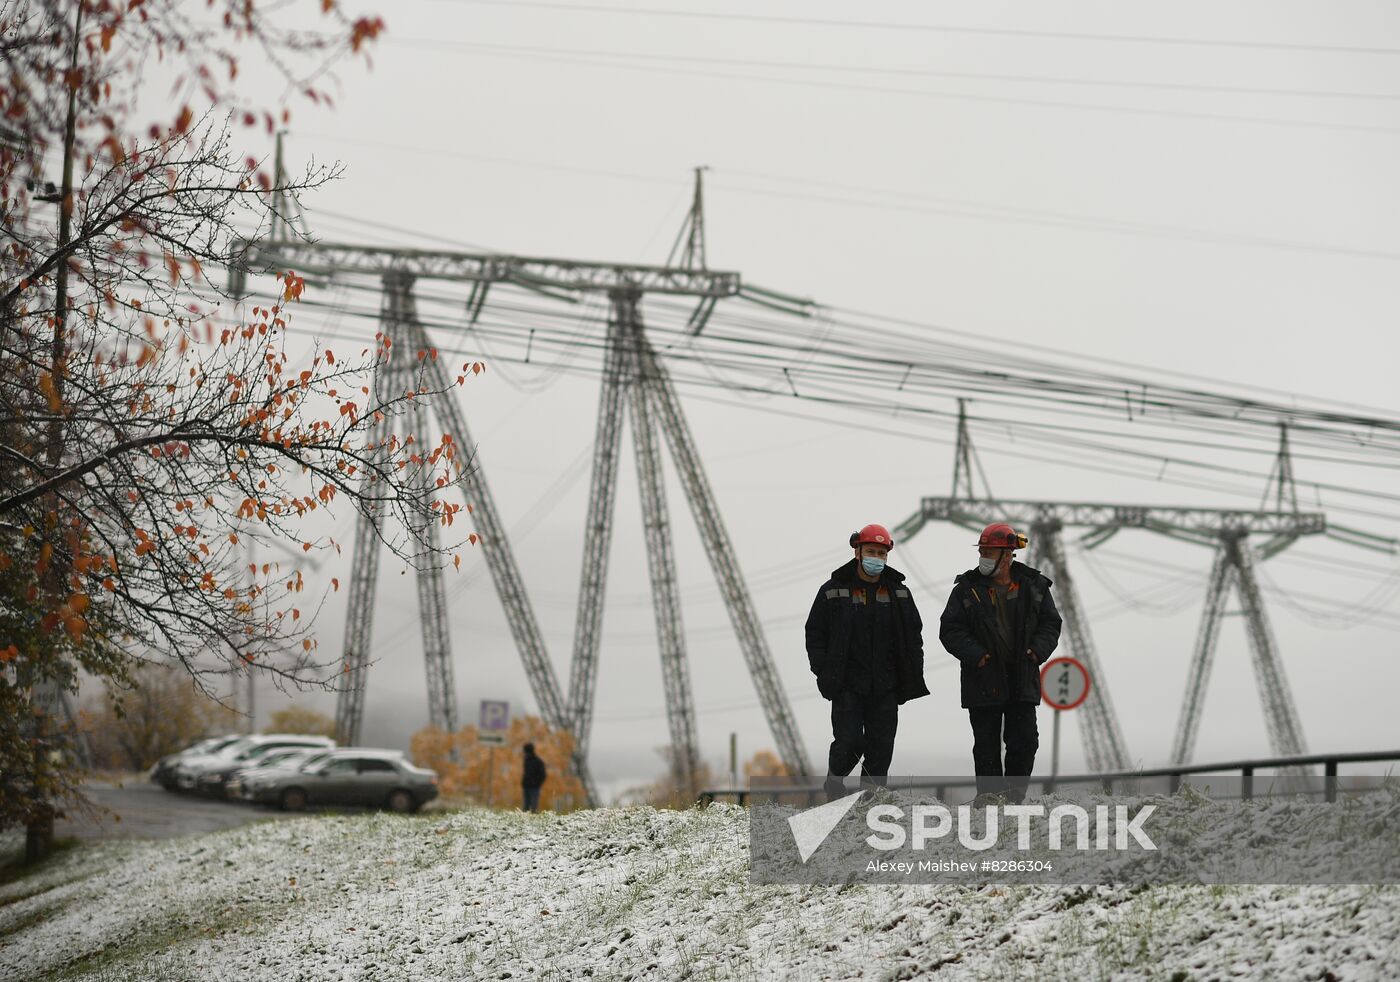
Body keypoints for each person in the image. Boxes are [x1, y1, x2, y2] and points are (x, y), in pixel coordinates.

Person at [938, 523, 1063, 804]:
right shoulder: (966, 590)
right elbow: (950, 630)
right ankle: (990, 800)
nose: (984, 557)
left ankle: (1015, 799)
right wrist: (977, 655)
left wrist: (1036, 652)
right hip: (983, 680)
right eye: (982, 551)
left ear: (1008, 555)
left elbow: (1051, 624)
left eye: (990, 552)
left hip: (1022, 678)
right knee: (986, 746)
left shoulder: (1035, 586)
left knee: (1025, 741)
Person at [805, 523, 930, 801]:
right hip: (847, 684)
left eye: (882, 553)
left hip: (886, 685)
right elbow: (815, 634)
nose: (877, 558)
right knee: (849, 741)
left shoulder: (899, 593)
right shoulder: (833, 590)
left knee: (881, 746)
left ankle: (870, 801)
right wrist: (823, 671)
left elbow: (914, 636)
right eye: (871, 551)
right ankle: (834, 784)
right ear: (857, 552)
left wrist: (910, 674)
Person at [521, 742, 546, 812]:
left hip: (534, 787)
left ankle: (532, 821)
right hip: (527, 786)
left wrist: (537, 783)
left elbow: (543, 775)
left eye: (525, 751)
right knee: (526, 807)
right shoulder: (526, 761)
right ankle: (525, 821)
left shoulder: (538, 761)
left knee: (533, 807)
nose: (524, 753)